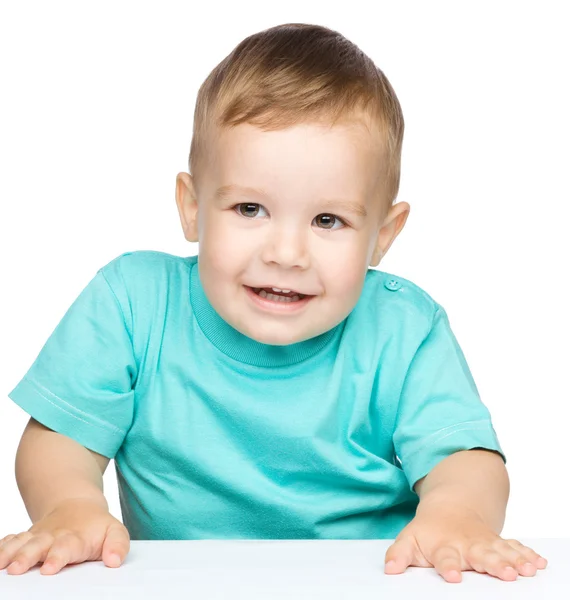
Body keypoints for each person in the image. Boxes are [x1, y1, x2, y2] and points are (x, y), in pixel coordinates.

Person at [1, 23, 547, 583]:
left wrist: (456, 513)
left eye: (328, 220)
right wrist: (69, 506)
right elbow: (61, 438)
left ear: (383, 235)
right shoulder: (134, 304)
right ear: (192, 208)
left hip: (370, 582)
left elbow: (465, 457)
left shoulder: (405, 329)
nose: (287, 253)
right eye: (249, 209)